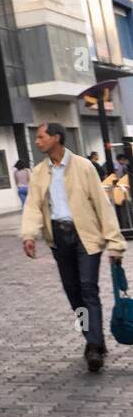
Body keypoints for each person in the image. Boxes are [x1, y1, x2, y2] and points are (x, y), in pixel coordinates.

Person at [21, 122, 126, 373]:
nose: (37, 141)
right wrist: (29, 235)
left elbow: (102, 204)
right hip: (59, 237)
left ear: (56, 138)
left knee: (88, 288)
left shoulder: (83, 166)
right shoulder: (39, 172)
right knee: (73, 293)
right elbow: (34, 206)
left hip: (85, 236)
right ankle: (91, 338)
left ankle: (94, 345)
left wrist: (114, 242)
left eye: (41, 137)